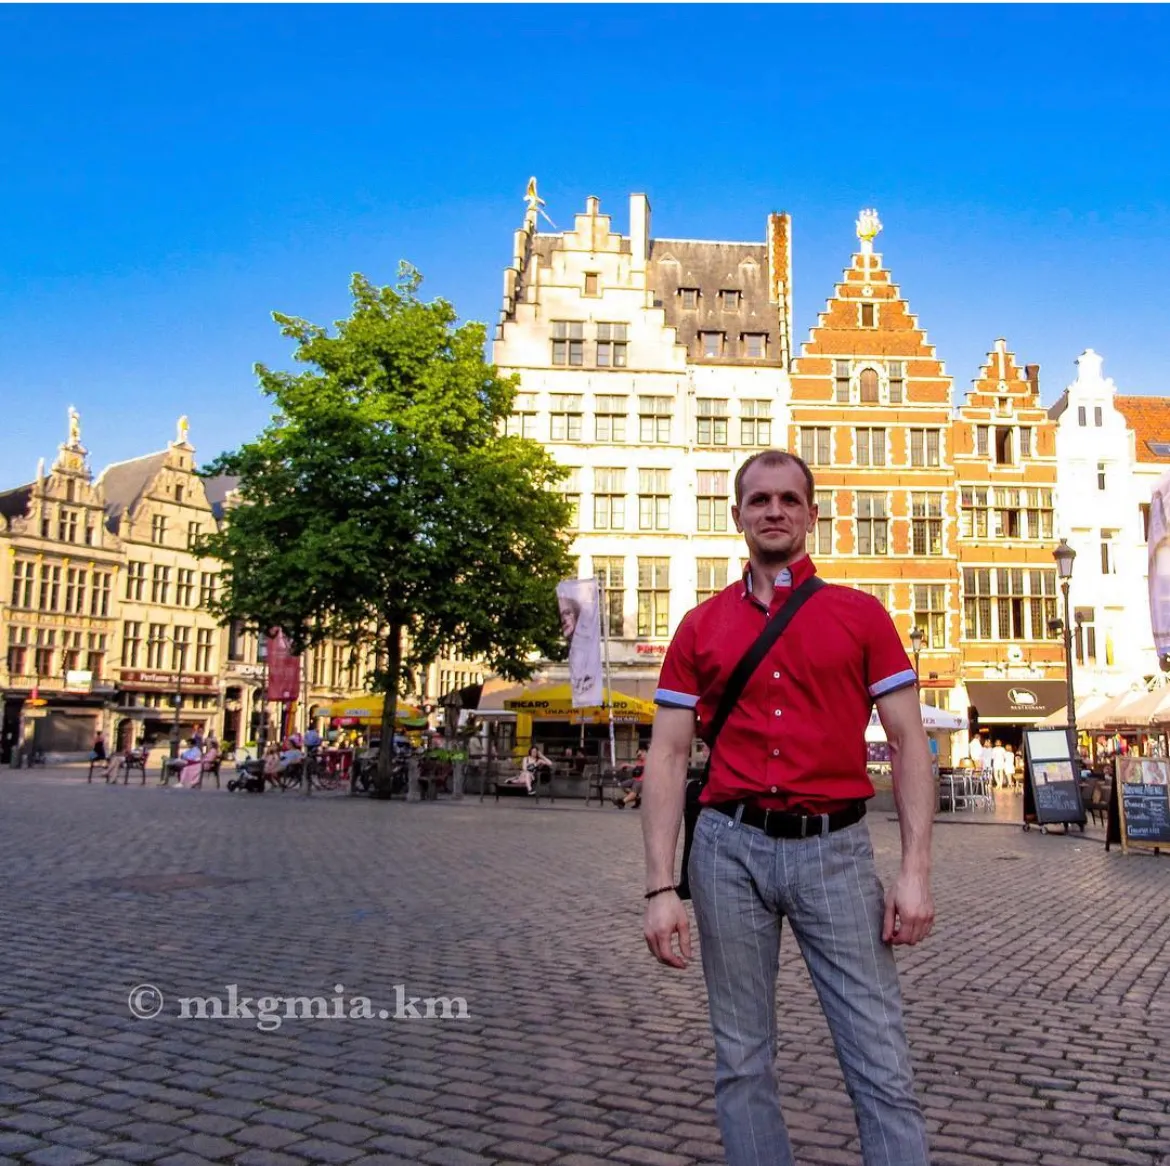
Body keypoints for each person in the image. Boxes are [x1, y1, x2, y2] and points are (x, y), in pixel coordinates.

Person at [641, 449, 934, 1166]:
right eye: (759, 500)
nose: (774, 511)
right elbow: (669, 756)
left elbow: (907, 742)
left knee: (878, 1055)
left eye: (788, 500)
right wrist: (658, 887)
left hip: (832, 851)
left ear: (810, 515)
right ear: (737, 515)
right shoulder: (699, 626)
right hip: (726, 850)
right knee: (741, 1059)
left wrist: (915, 871)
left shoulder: (861, 616)